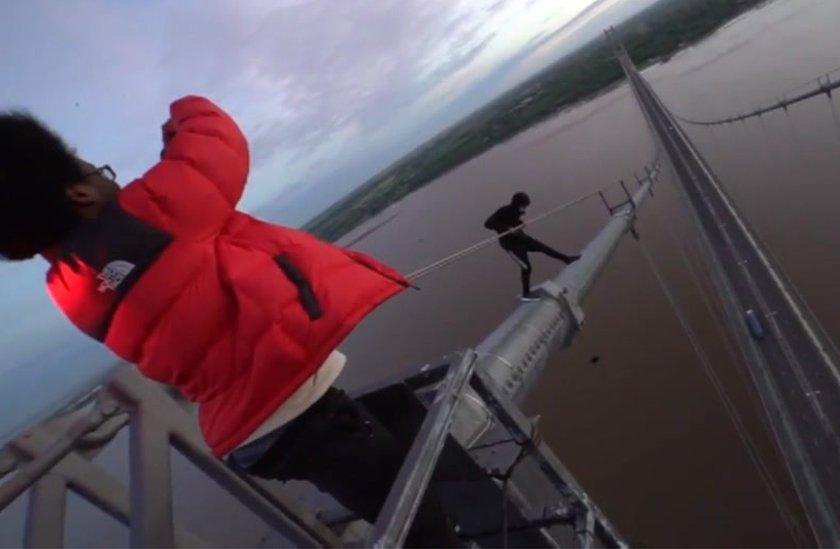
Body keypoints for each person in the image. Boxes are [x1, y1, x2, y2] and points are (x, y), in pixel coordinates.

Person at [0, 96, 458, 546]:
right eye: (98, 172)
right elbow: (216, 143)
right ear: (79, 193)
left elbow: (169, 268)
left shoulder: (68, 292)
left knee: (395, 495)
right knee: (423, 524)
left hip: (256, 435)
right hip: (304, 414)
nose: (109, 178)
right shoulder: (151, 212)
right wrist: (183, 112)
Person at [484, 192, 581, 301]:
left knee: (544, 248)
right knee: (526, 267)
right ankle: (526, 294)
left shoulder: (518, 211)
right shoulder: (503, 210)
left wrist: (520, 223)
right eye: (523, 205)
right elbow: (487, 224)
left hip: (521, 238)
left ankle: (567, 259)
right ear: (517, 204)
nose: (524, 208)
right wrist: (507, 229)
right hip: (510, 245)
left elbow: (515, 221)